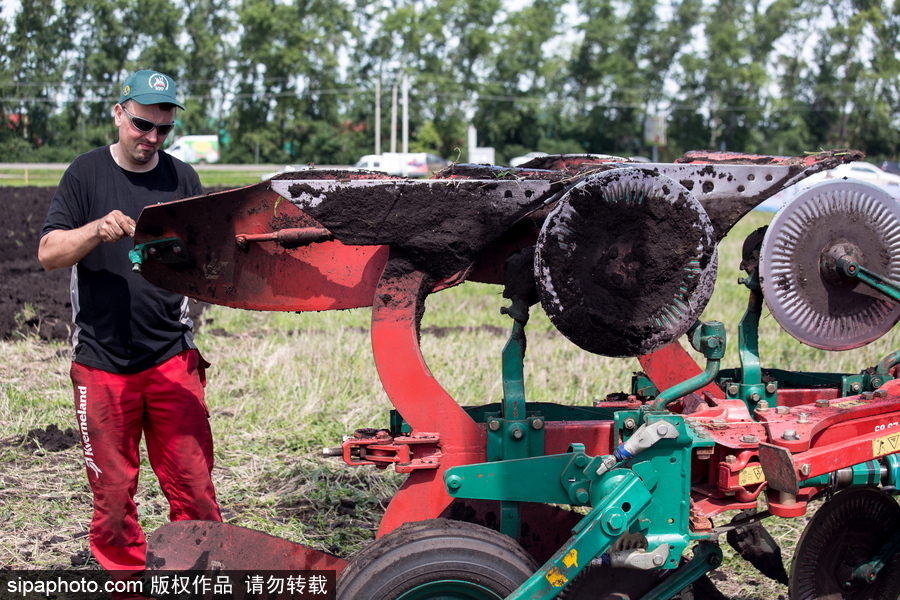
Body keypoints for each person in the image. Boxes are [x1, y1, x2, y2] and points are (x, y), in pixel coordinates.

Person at [38, 69, 222, 589]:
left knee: (194, 484)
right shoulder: (85, 174)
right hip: (101, 361)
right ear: (119, 113)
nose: (152, 137)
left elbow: (207, 258)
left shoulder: (183, 179)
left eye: (164, 129)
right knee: (114, 495)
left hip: (171, 357)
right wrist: (96, 230)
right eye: (143, 124)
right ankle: (125, 579)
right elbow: (49, 252)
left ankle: (198, 574)